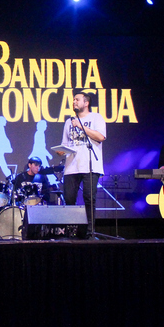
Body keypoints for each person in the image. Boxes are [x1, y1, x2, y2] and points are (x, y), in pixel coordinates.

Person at [61, 90, 106, 235]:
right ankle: (72, 231)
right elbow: (65, 143)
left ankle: (89, 232)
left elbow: (100, 137)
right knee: (69, 198)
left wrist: (81, 126)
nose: (74, 102)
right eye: (73, 99)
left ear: (86, 103)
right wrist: (61, 150)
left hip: (90, 165)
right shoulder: (69, 122)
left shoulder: (96, 117)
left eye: (77, 99)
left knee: (89, 198)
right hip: (71, 166)